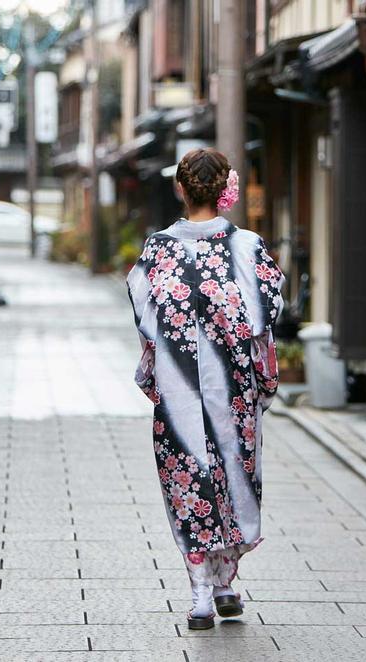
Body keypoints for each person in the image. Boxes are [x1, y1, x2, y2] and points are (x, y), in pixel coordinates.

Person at [126, 148, 285, 630]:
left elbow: (144, 315)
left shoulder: (157, 251)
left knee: (189, 481)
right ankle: (220, 585)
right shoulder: (248, 248)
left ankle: (204, 590)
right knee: (232, 477)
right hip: (232, 391)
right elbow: (268, 313)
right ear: (225, 190)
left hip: (178, 393)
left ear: (179, 188)